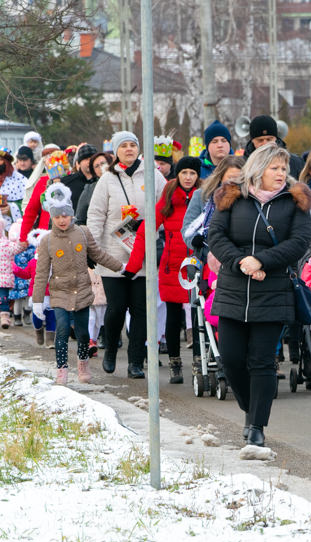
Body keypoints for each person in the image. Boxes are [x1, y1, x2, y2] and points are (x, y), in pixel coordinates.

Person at [207, 143, 311, 447]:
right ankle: (249, 407)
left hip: (274, 291)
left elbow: (300, 241)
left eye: (284, 169)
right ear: (258, 169)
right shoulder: (231, 195)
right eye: (275, 168)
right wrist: (241, 262)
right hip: (233, 289)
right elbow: (215, 234)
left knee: (262, 361)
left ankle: (257, 425)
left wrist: (263, 261)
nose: (281, 174)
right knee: (231, 360)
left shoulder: (295, 201)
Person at [87, 131, 168, 379]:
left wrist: (162, 232)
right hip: (113, 255)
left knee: (141, 310)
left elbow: (166, 205)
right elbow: (96, 214)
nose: (130, 149)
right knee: (116, 309)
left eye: (133, 145)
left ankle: (136, 362)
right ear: (116, 151)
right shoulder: (107, 179)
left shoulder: (153, 175)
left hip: (143, 254)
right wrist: (92, 248)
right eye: (124, 146)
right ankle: (110, 349)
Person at [31, 184, 124, 385]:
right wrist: (38, 300)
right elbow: (41, 273)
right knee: (62, 329)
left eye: (65, 215)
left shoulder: (82, 232)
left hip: (82, 290)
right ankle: (62, 368)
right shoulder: (47, 240)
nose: (62, 220)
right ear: (52, 218)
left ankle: (83, 362)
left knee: (83, 333)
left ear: (71, 214)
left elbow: (98, 254)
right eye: (57, 217)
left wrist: (120, 267)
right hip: (60, 292)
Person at [125, 156, 200, 384]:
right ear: (178, 174)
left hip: (197, 265)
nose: (188, 177)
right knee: (174, 314)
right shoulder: (168, 198)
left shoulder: (203, 198)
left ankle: (199, 361)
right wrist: (133, 265)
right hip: (172, 266)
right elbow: (145, 230)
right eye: (184, 173)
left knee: (197, 315)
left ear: (198, 177)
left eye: (193, 174)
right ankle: (175, 363)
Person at [243, 115, 304, 179]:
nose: (265, 144)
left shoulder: (295, 163)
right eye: (260, 140)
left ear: (275, 139)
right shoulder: (242, 164)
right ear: (253, 141)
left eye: (269, 139)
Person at [74, 152, 111, 226]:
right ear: (94, 172)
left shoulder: (123, 181)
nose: (101, 167)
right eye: (97, 166)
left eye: (103, 163)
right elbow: (79, 219)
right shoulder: (89, 189)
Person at [61, 144, 98, 210]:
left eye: (92, 159)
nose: (89, 162)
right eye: (86, 159)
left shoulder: (102, 181)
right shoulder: (67, 182)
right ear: (79, 163)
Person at [0, 149, 27, 227]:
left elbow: (27, 204)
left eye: (1, 160)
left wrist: (11, 209)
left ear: (7, 162)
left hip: (11, 228)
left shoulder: (20, 180)